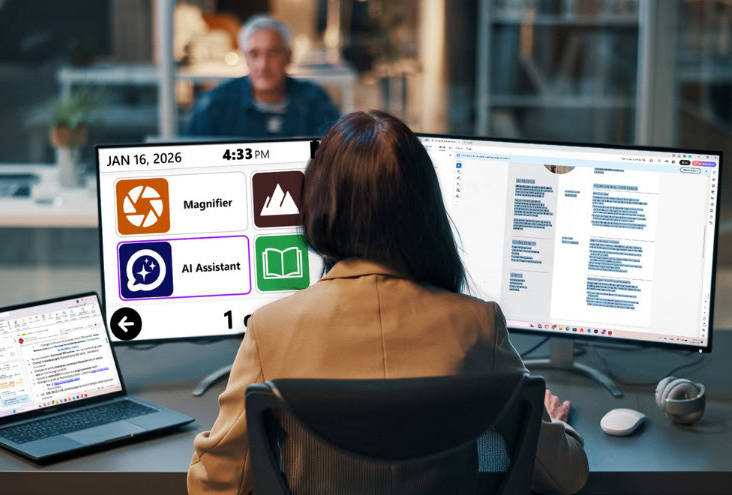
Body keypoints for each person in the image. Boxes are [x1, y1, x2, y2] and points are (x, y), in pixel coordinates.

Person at [187, 111, 589, 495]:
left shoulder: (271, 328)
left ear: (320, 204)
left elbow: (214, 485)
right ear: (424, 209)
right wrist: (552, 423)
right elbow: (566, 476)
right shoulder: (476, 324)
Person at [184, 15, 340, 137]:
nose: (263, 65)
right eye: (254, 54)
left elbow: (337, 154)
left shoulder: (315, 99)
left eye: (273, 53)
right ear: (245, 57)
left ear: (289, 56)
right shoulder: (215, 103)